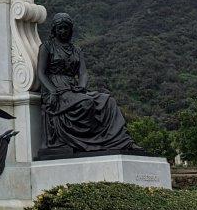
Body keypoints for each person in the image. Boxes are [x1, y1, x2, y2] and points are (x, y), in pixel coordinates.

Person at [36, 13, 141, 155]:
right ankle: (92, 142)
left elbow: (83, 73)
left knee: (108, 101)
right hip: (56, 88)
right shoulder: (47, 47)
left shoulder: (76, 50)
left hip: (74, 88)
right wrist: (52, 91)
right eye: (60, 28)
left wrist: (82, 86)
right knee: (86, 103)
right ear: (54, 30)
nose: (63, 31)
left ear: (71, 30)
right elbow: (41, 72)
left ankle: (122, 141)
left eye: (66, 28)